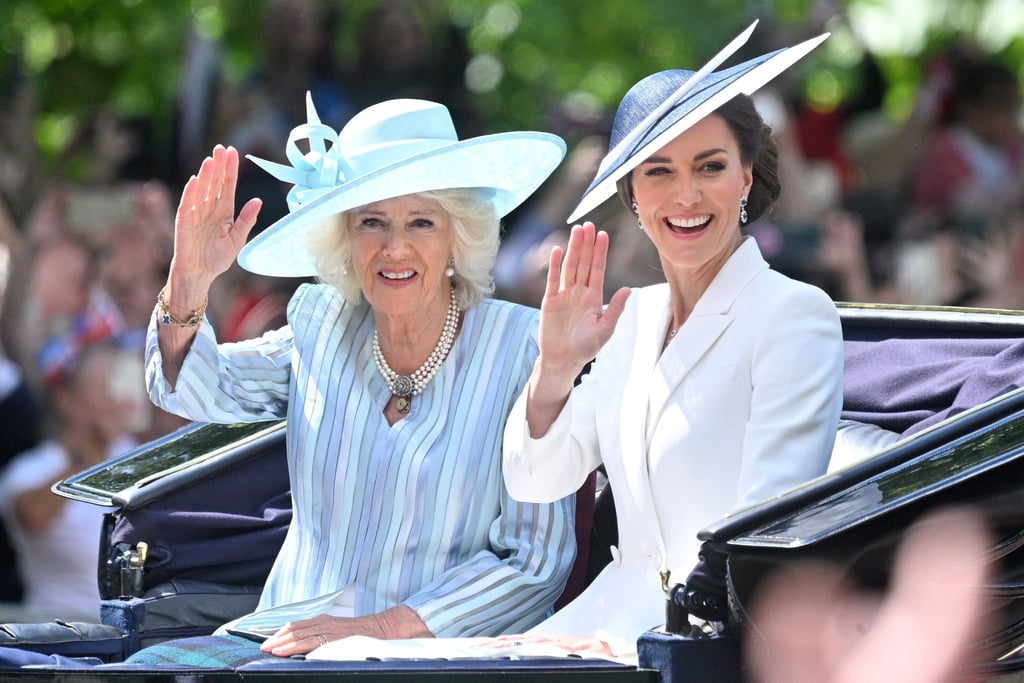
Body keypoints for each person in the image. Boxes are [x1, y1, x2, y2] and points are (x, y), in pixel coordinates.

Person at [129, 94, 575, 666]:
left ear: (456, 239)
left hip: (440, 660)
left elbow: (534, 560)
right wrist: (189, 283)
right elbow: (195, 388)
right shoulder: (321, 327)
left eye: (421, 221)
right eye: (371, 222)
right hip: (281, 641)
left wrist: (375, 630)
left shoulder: (523, 348)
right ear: (345, 240)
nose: (394, 247)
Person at [500, 25, 845, 659]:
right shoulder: (631, 319)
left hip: (709, 641)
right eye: (657, 172)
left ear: (745, 177)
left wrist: (658, 637)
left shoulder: (794, 314)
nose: (685, 195)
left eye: (709, 167)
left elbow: (759, 533)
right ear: (630, 194)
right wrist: (554, 369)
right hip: (600, 626)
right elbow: (535, 480)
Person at [0, 341, 142, 623]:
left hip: (130, 629)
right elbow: (33, 517)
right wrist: (90, 456)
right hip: (58, 631)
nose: (116, 397)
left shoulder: (137, 457)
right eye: (105, 385)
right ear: (66, 399)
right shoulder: (30, 469)